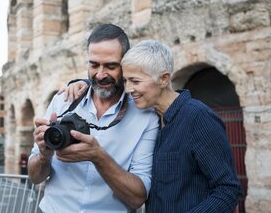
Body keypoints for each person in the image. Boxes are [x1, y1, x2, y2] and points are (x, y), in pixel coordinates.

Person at [67, 39, 242, 212]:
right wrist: (82, 83)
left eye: (135, 81)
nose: (128, 89)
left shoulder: (198, 117)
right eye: (126, 81)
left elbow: (228, 190)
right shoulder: (153, 118)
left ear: (164, 79)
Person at [28, 24, 159, 212]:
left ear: (125, 65)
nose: (100, 74)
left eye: (111, 66)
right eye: (94, 64)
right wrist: (44, 154)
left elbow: (138, 197)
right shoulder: (63, 101)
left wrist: (98, 157)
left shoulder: (145, 116)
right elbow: (35, 177)